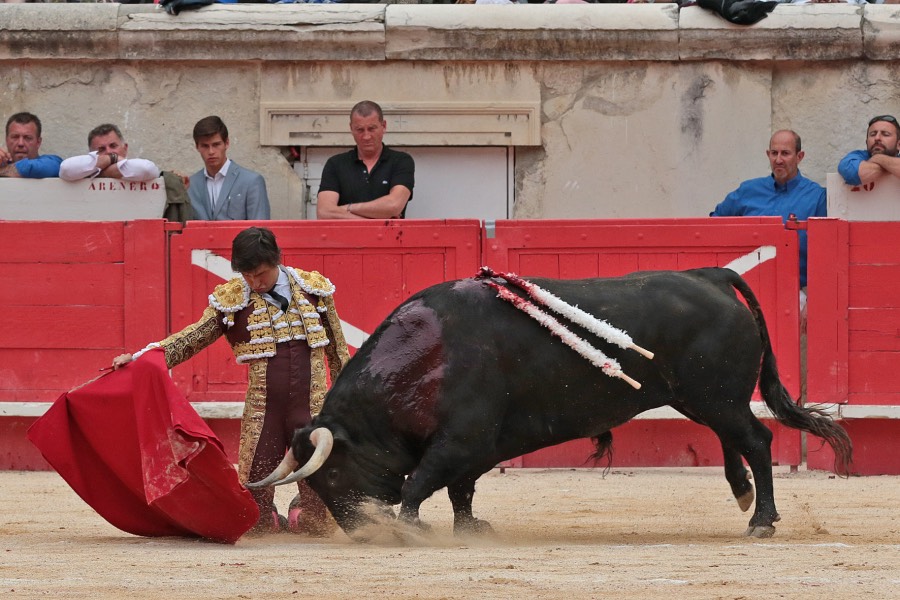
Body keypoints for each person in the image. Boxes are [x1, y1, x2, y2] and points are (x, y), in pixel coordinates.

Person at [111, 226, 350, 536]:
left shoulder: (314, 289)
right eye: (247, 275)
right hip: (264, 411)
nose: (254, 282)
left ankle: (300, 512)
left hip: (313, 408)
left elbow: (338, 352)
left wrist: (346, 408)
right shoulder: (233, 299)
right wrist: (145, 357)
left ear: (276, 260)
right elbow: (192, 338)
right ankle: (272, 518)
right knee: (253, 507)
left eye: (260, 274)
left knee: (321, 515)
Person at [710, 129, 825, 302]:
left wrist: (813, 301)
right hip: (743, 289)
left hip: (794, 293)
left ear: (799, 156)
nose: (778, 160)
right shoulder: (747, 191)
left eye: (785, 153)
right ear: (768, 154)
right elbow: (714, 225)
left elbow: (824, 254)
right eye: (774, 153)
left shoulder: (817, 197)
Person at [316, 100, 415, 220]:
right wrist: (373, 223)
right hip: (344, 239)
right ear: (351, 128)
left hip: (390, 238)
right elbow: (324, 213)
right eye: (360, 130)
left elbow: (394, 205)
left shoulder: (401, 161)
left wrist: (347, 208)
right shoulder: (335, 164)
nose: (366, 136)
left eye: (372, 129)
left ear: (383, 126)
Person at [188, 116, 271, 221]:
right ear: (197, 147)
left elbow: (260, 229)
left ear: (226, 143)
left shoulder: (251, 181)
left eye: (216, 144)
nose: (211, 152)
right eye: (205, 146)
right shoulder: (191, 185)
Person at [59, 123, 162, 182]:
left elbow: (146, 169)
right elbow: (65, 169)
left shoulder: (135, 169)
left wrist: (101, 173)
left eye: (113, 146)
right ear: (91, 154)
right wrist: (113, 158)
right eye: (101, 149)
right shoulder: (82, 168)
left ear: (125, 148)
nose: (109, 152)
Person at [837, 114, 900, 186]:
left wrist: (878, 158)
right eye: (873, 134)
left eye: (885, 134)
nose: (877, 138)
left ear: (899, 145)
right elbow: (853, 174)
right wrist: (892, 167)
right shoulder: (857, 156)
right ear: (866, 142)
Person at [0, 112, 62, 178]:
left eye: (27, 138)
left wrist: (2, 170)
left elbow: (56, 166)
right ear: (7, 140)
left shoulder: (51, 163)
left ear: (38, 142)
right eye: (15, 137)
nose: (20, 143)